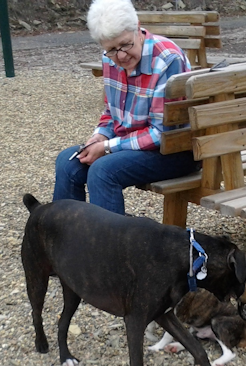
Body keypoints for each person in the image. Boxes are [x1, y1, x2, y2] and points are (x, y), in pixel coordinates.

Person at [52, 0, 198, 216]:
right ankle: (67, 240)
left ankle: (109, 248)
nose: (120, 56)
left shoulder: (167, 60)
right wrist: (100, 136)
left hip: (175, 151)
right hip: (131, 145)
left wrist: (108, 147)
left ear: (137, 28)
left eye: (126, 45)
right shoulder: (109, 60)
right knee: (67, 162)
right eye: (111, 49)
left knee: (102, 171)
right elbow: (112, 113)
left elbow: (162, 133)